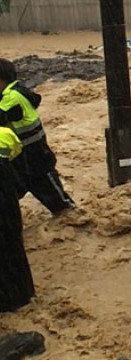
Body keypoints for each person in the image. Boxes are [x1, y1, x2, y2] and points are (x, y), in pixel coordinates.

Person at [0, 58, 75, 215]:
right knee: (7, 196)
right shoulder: (14, 93)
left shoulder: (12, 97)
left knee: (62, 206)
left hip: (36, 159)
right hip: (20, 159)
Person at [0, 126, 35, 312]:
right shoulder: (5, 134)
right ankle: (24, 296)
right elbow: (21, 167)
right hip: (9, 203)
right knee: (14, 248)